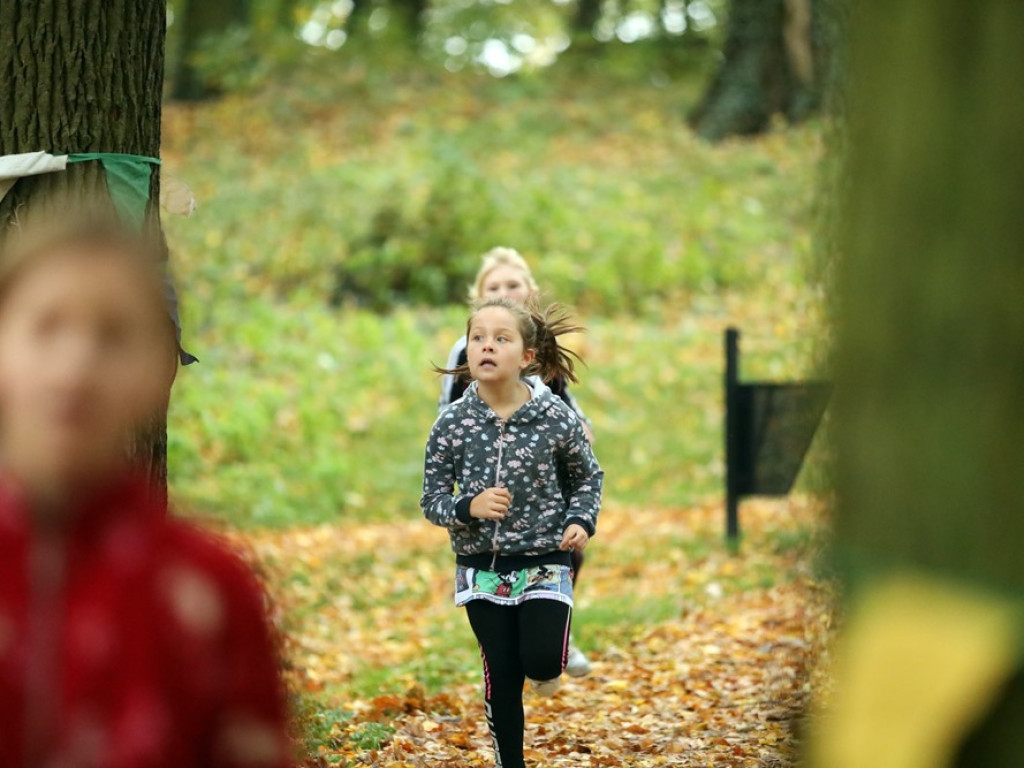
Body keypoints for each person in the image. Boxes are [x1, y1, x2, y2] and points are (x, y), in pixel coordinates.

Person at [0, 218, 290, 768]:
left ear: (156, 368)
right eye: (45, 326)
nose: (74, 369)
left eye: (112, 335)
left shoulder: (207, 590)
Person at [421, 297, 603, 768]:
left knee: (540, 661)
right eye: (478, 338)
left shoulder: (555, 418)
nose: (487, 346)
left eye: (501, 339)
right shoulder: (451, 425)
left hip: (545, 559)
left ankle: (549, 663)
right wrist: (468, 506)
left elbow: (588, 477)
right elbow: (432, 501)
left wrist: (580, 520)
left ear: (526, 356)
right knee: (501, 671)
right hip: (481, 568)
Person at [438, 247, 595, 677]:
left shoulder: (542, 349)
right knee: (503, 556)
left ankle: (553, 631)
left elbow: (563, 399)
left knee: (567, 547)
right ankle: (516, 646)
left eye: (513, 285)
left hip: (546, 475)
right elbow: (447, 410)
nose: (504, 291)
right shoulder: (468, 350)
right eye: (494, 287)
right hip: (489, 481)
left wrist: (582, 426)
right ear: (478, 298)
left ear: (531, 291)